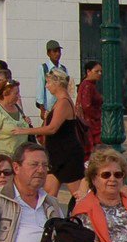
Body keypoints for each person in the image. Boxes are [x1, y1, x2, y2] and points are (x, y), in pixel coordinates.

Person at [23, 70, 86, 199]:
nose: (47, 86)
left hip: (67, 154)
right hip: (55, 154)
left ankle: (87, 217)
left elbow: (52, 128)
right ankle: (49, 218)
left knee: (79, 195)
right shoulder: (58, 102)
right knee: (48, 195)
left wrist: (26, 131)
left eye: (48, 82)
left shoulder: (63, 102)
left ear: (57, 83)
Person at [0, 79, 32, 162]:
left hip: (20, 158)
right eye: (16, 93)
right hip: (3, 159)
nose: (18, 96)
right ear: (5, 94)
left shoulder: (17, 107)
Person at [77, 60, 103, 160]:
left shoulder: (89, 85)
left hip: (90, 122)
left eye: (100, 71)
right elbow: (86, 106)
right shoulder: (87, 85)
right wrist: (96, 115)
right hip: (90, 123)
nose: (99, 74)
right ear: (88, 71)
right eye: (97, 71)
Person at [36, 41, 67, 123]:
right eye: (54, 51)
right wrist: (42, 109)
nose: (57, 54)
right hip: (48, 107)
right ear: (48, 53)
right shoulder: (44, 68)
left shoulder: (63, 69)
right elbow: (40, 88)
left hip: (61, 105)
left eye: (59, 51)